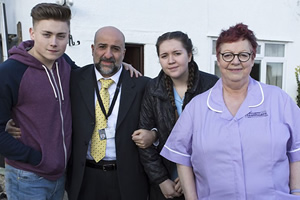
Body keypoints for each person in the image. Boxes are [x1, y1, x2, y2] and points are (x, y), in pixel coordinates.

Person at [160, 23, 300, 200]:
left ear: (252, 58)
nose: (235, 61)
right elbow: (182, 157)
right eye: (227, 55)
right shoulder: (197, 107)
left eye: (243, 55)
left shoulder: (279, 100)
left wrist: (297, 193)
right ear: (218, 59)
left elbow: (297, 152)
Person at [65, 26, 150, 200]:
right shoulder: (73, 80)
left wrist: (154, 135)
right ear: (93, 49)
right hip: (83, 178)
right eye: (102, 46)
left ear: (124, 53)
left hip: (127, 181)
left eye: (116, 49)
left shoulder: (143, 85)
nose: (108, 54)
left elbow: (159, 122)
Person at [132, 31, 218, 199]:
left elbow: (219, 137)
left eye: (177, 53)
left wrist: (192, 174)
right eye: (164, 56)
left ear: (190, 55)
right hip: (164, 180)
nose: (171, 61)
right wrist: (161, 179)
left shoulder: (211, 86)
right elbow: (144, 140)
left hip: (204, 179)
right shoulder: (153, 88)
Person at [0, 3, 74, 199]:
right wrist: (36, 158)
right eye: (47, 34)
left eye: (61, 36)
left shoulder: (64, 63)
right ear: (32, 33)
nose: (54, 43)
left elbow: (90, 78)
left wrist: (120, 65)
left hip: (59, 176)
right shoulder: (10, 71)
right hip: (27, 177)